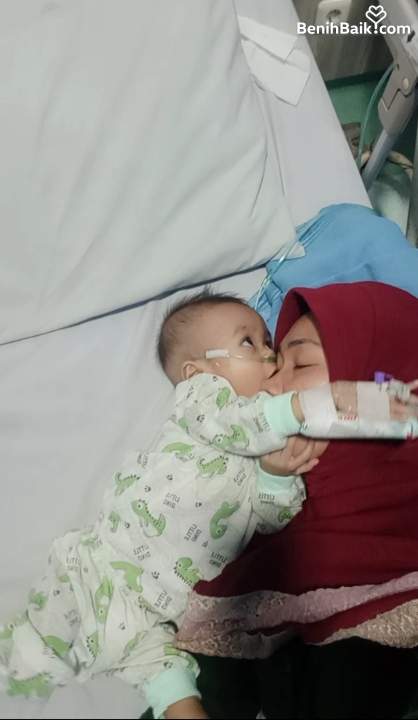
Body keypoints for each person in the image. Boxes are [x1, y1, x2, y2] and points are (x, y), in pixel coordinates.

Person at [1, 290, 416, 720]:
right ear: (196, 370)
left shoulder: (267, 444)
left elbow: (267, 521)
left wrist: (275, 476)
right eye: (249, 343)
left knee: (167, 677)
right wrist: (311, 405)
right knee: (47, 633)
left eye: (269, 345)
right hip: (103, 564)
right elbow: (241, 425)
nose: (270, 362)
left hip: (164, 609)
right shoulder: (205, 401)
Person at [175, 282, 418, 719]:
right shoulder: (259, 540)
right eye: (274, 365)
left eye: (301, 363)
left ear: (377, 377)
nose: (271, 385)